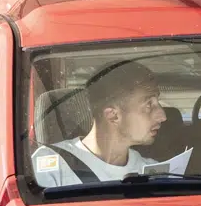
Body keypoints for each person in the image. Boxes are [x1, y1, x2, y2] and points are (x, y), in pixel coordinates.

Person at [32, 60, 168, 185]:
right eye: (149, 105)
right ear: (113, 115)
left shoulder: (155, 172)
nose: (163, 116)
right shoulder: (51, 165)